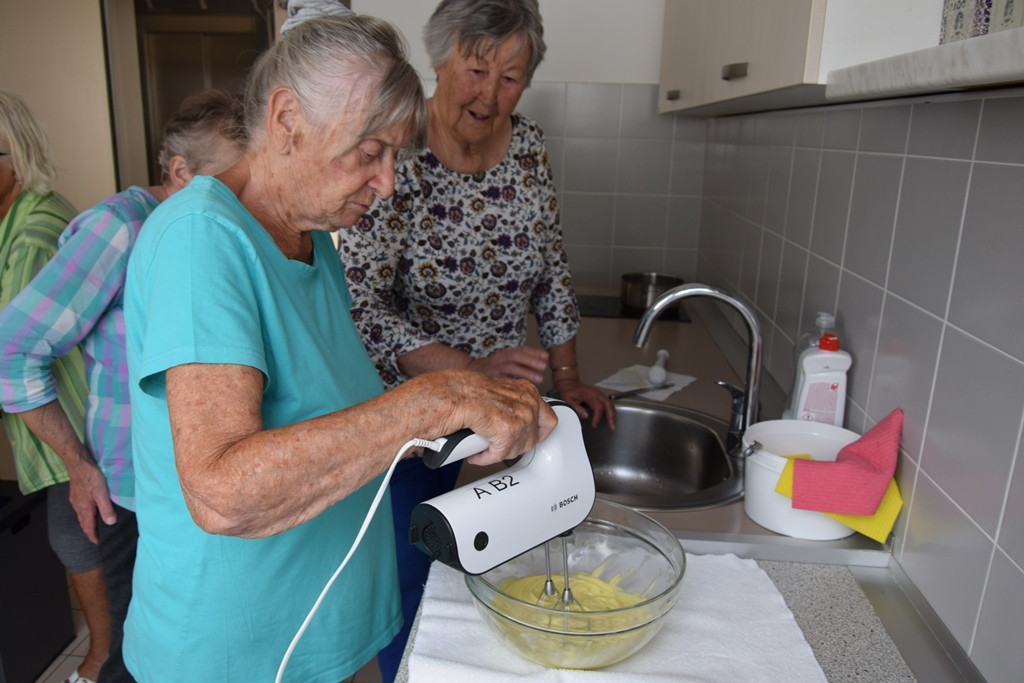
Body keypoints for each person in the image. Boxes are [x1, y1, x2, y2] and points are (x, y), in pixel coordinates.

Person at [121, 13, 555, 683]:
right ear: (287, 117)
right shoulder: (201, 240)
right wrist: (433, 399)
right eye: (370, 151)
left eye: (395, 156)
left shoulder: (311, 239)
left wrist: (463, 418)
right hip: (244, 652)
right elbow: (222, 491)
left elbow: (326, 417)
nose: (386, 184)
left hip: (331, 631)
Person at [337, 2, 615, 677]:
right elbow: (361, 306)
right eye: (477, 67)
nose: (490, 94)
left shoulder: (529, 149)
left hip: (505, 418)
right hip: (413, 418)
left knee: (500, 576)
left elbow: (551, 270)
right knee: (408, 580)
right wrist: (468, 371)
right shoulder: (398, 154)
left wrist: (569, 376)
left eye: (511, 77)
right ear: (440, 61)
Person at [0, 88, 246, 683]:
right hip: (133, 502)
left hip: (199, 497)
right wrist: (78, 467)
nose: (245, 204)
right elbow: (13, 353)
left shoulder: (215, 238)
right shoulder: (118, 229)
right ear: (180, 172)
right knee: (136, 664)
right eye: (230, 186)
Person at [0, 90, 111, 683]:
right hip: (69, 431)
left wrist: (75, 460)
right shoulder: (21, 220)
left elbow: (11, 351)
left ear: (11, 156)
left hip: (74, 433)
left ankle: (101, 662)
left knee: (79, 542)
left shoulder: (33, 236)